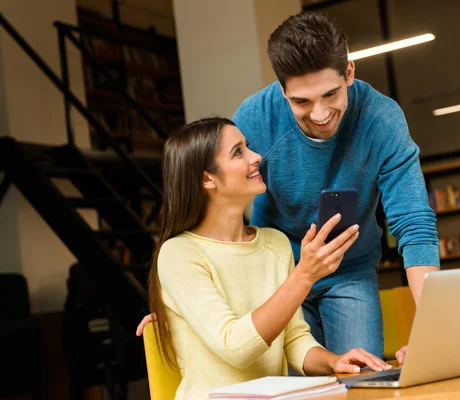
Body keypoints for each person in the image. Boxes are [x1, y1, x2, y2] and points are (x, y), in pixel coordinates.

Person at [230, 11, 440, 359]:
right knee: (298, 388)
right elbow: (218, 205)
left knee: (360, 380)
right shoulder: (254, 118)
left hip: (350, 272)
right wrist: (182, 297)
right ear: (282, 90)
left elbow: (414, 222)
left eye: (330, 94)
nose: (319, 113)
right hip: (278, 274)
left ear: (350, 73)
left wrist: (435, 324)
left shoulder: (381, 120)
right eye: (301, 101)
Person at [147, 117, 392, 400]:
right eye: (238, 152)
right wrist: (305, 275)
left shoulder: (274, 244)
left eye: (247, 147)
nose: (257, 157)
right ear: (207, 178)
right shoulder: (179, 254)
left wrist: (333, 361)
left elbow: (294, 340)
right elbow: (236, 347)